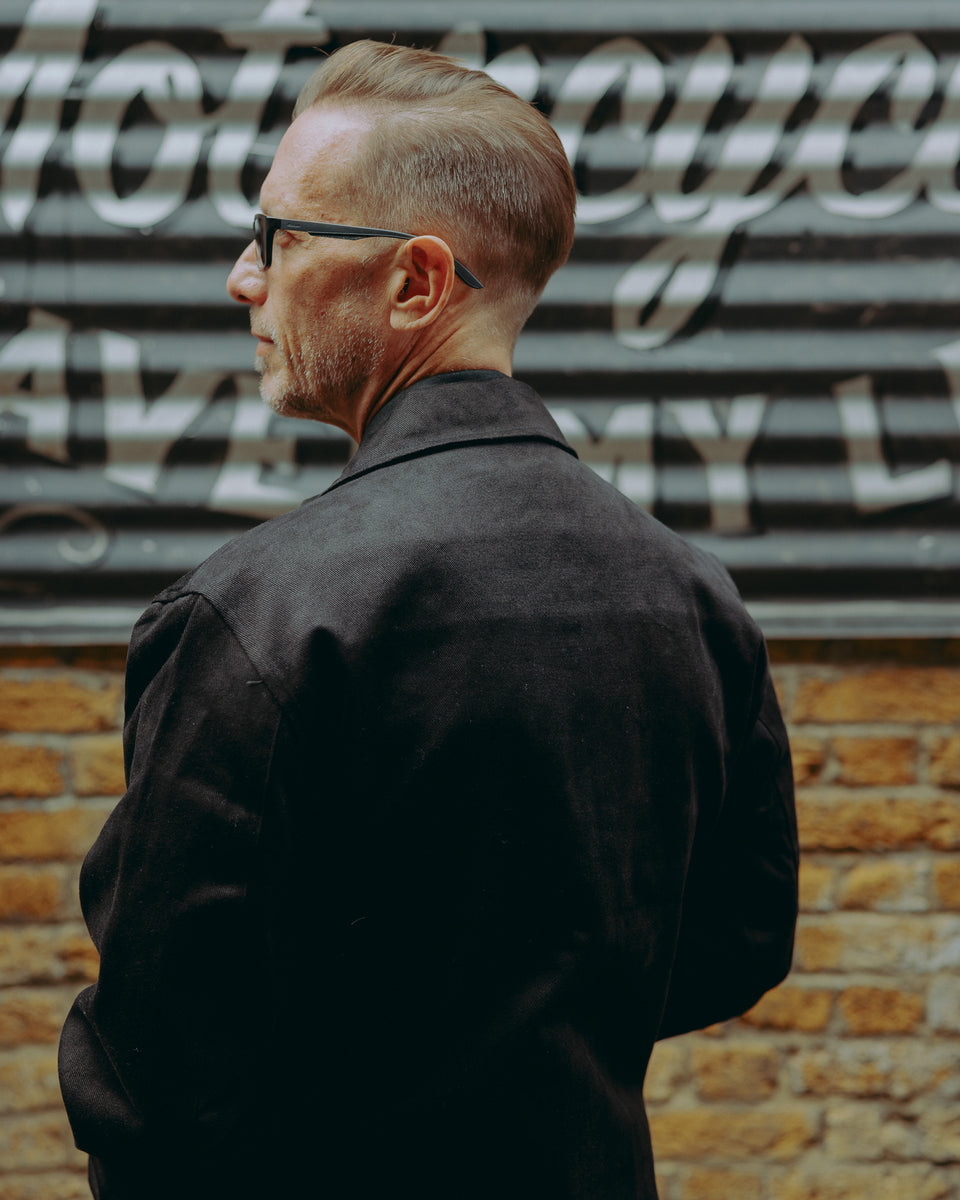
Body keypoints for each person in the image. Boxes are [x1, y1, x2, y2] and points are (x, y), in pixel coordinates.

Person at [59, 39, 799, 1200]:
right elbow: (738, 943)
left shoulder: (260, 614)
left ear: (414, 281)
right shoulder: (693, 597)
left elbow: (152, 1070)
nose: (240, 281)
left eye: (276, 238)